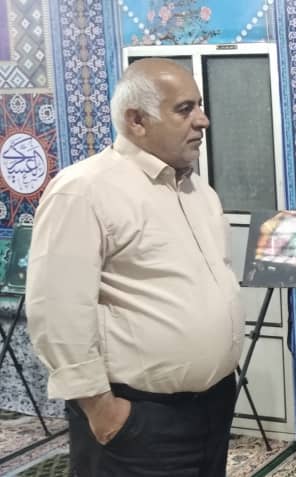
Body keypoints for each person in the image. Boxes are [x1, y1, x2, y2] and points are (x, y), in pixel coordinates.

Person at [26, 58, 243, 476]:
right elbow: (56, 310)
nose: (203, 120)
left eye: (199, 105)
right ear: (137, 120)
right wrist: (103, 410)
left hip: (211, 409)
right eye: (185, 109)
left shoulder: (198, 191)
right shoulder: (85, 190)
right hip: (138, 420)